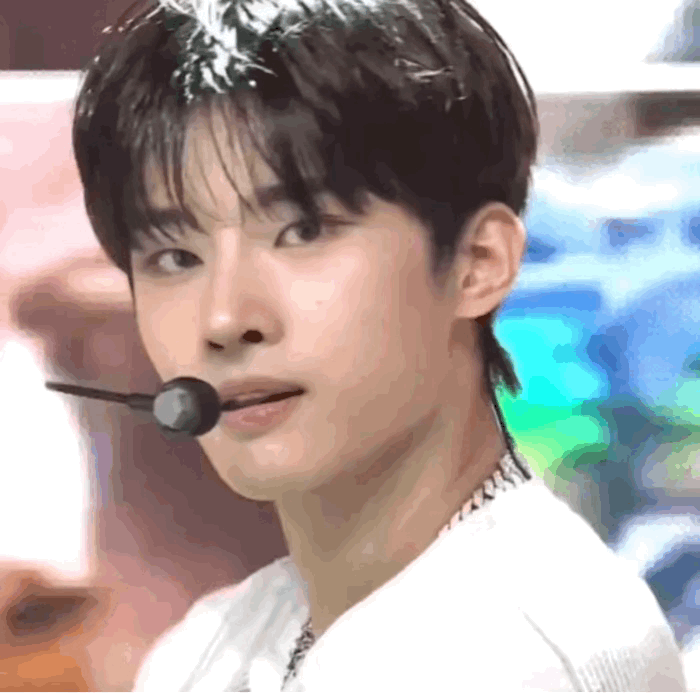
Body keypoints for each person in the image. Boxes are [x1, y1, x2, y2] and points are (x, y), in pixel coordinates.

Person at [70, 0, 687, 690]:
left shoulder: (508, 653)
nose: (224, 317)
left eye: (304, 231)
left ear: (478, 263)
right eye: (175, 257)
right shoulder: (210, 645)